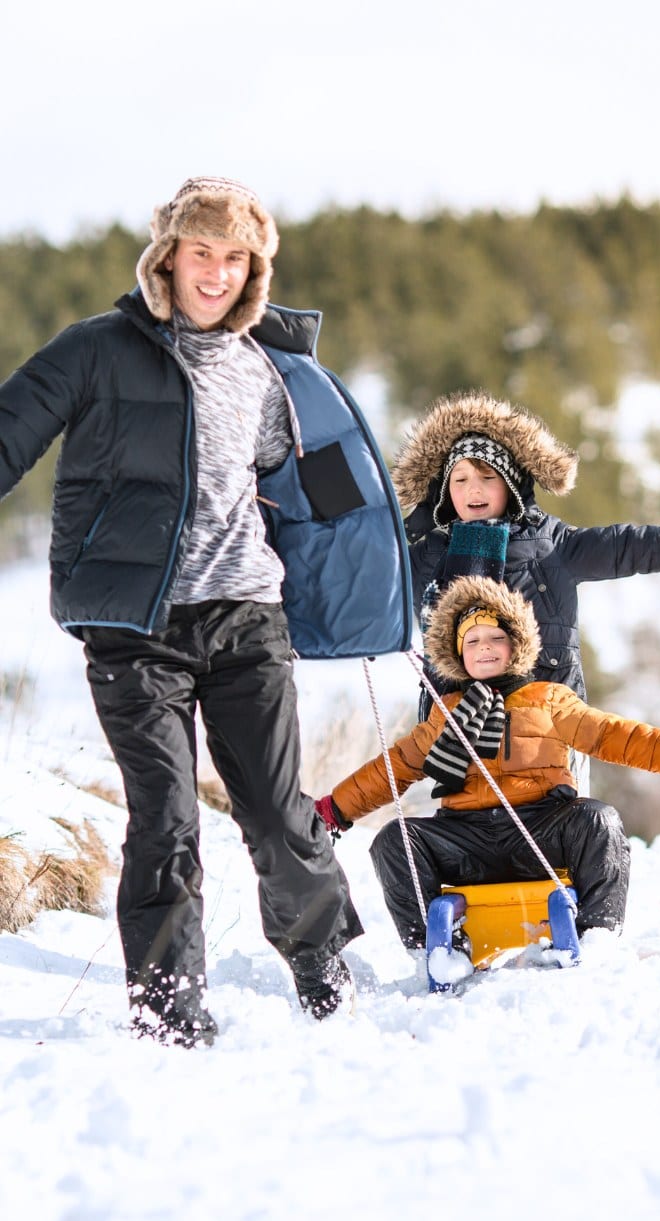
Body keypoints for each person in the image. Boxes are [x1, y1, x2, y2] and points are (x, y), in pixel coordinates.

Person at [0, 176, 411, 1044]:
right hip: (134, 624)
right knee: (166, 819)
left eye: (235, 258)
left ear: (254, 269)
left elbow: (321, 497)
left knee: (273, 810)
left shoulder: (276, 372)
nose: (216, 273)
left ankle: (321, 963)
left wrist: (384, 571)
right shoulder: (96, 350)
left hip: (247, 617)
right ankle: (166, 1003)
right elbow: (9, 430)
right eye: (201, 253)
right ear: (168, 256)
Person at [314, 575, 660, 954]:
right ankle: (434, 946)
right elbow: (395, 767)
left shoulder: (548, 699)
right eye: (472, 641)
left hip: (542, 830)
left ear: (515, 644)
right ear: (457, 653)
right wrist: (333, 810)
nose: (485, 648)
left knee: (599, 821)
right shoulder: (445, 713)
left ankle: (596, 936)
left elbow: (616, 736)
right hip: (469, 840)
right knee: (396, 840)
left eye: (495, 638)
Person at [391, 390, 660, 713]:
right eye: (460, 479)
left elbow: (640, 546)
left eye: (486, 476)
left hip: (550, 728)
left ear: (512, 484)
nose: (473, 490)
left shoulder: (553, 546)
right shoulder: (423, 558)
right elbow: (351, 581)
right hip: (456, 742)